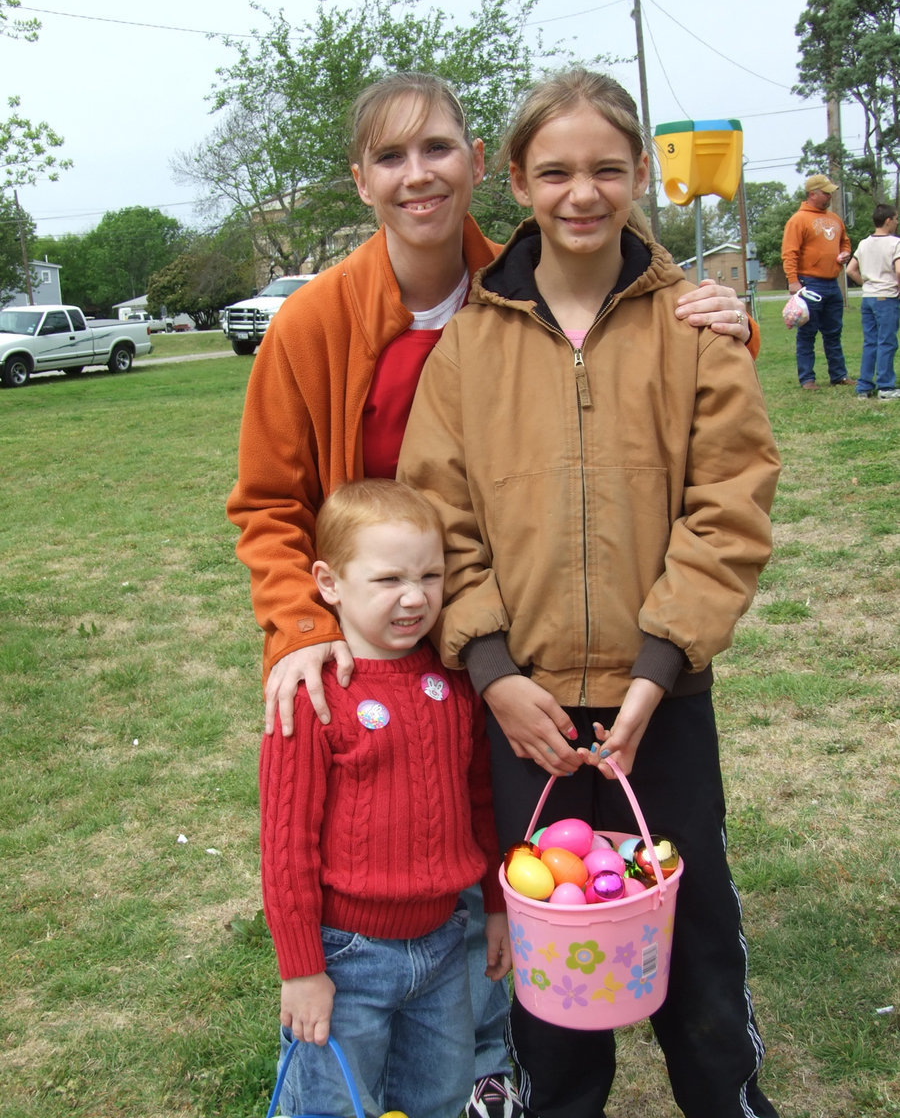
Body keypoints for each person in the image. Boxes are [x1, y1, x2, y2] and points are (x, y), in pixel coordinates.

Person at [226, 71, 760, 1118]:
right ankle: (442, 1053)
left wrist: (713, 308)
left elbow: (715, 488)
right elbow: (279, 504)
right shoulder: (336, 325)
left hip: (563, 662)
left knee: (623, 912)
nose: (418, 174)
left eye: (438, 150)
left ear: (480, 169)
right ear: (363, 179)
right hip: (446, 658)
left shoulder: (534, 298)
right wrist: (304, 629)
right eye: (391, 156)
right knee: (425, 878)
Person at [398, 68, 782, 1118]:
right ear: (515, 179)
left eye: (607, 169)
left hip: (663, 701)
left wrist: (660, 670)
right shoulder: (470, 346)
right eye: (555, 170)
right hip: (527, 716)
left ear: (640, 173)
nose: (582, 193)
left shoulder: (695, 331)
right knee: (554, 973)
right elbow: (442, 522)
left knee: (695, 949)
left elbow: (729, 511)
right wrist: (491, 671)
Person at [259, 478, 510, 1118]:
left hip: (444, 943)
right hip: (347, 959)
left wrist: (498, 908)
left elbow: (480, 802)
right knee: (335, 1105)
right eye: (388, 579)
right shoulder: (313, 697)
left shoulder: (452, 683)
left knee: (439, 1095)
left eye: (431, 576)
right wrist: (301, 970)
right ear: (330, 582)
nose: (413, 597)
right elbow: (286, 847)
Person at [781, 173, 855, 390]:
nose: (830, 196)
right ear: (813, 194)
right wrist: (793, 281)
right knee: (807, 332)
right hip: (809, 284)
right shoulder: (798, 220)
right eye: (826, 192)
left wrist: (845, 254)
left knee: (834, 332)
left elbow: (845, 242)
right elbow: (789, 253)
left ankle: (839, 375)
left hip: (833, 283)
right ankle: (807, 379)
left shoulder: (835, 219)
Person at [845, 202, 900, 401]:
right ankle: (885, 386)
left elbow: (850, 269)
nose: (896, 222)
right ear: (888, 221)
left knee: (870, 342)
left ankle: (864, 387)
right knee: (887, 341)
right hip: (886, 297)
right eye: (895, 219)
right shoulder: (895, 243)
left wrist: (866, 284)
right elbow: (899, 270)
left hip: (868, 297)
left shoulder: (864, 243)